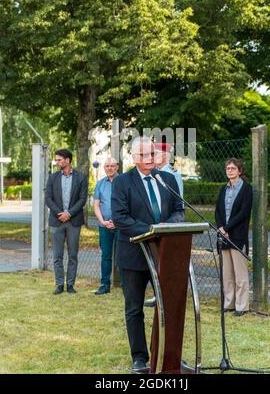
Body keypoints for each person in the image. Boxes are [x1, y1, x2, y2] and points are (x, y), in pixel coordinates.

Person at [111, 136, 184, 372]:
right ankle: (140, 358)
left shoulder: (168, 179)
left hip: (164, 255)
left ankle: (166, 356)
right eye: (143, 155)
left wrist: (165, 229)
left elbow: (179, 211)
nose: (149, 159)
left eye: (152, 154)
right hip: (134, 255)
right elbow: (121, 218)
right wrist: (153, 231)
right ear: (133, 157)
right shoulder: (122, 182)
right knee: (134, 308)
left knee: (168, 306)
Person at [144, 141, 184, 308]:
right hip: (153, 225)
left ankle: (168, 295)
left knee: (167, 262)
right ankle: (158, 294)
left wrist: (168, 223)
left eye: (157, 153)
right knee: (155, 261)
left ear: (166, 155)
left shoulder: (173, 175)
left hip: (167, 225)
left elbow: (178, 203)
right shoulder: (153, 173)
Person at [46, 149, 88, 295]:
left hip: (74, 221)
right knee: (57, 256)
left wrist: (69, 213)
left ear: (68, 160)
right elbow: (48, 198)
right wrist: (61, 214)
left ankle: (70, 285)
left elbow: (83, 199)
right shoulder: (52, 177)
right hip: (56, 221)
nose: (57, 162)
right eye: (56, 160)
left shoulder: (81, 178)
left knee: (73, 255)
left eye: (59, 160)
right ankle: (59, 285)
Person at [215, 158, 253, 317]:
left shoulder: (246, 189)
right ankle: (229, 304)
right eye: (227, 168)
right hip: (224, 236)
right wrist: (220, 228)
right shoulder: (224, 189)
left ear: (239, 171)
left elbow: (244, 212)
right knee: (227, 273)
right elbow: (217, 211)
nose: (230, 171)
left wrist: (227, 228)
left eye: (233, 168)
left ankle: (241, 306)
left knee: (240, 273)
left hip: (237, 236)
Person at [93, 157, 119, 295]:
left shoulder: (124, 182)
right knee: (106, 256)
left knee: (123, 255)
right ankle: (104, 285)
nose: (109, 168)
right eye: (107, 166)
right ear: (104, 168)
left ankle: (127, 285)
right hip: (104, 226)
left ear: (117, 167)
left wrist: (117, 221)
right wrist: (103, 221)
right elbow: (96, 204)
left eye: (112, 166)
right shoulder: (100, 184)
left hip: (121, 226)